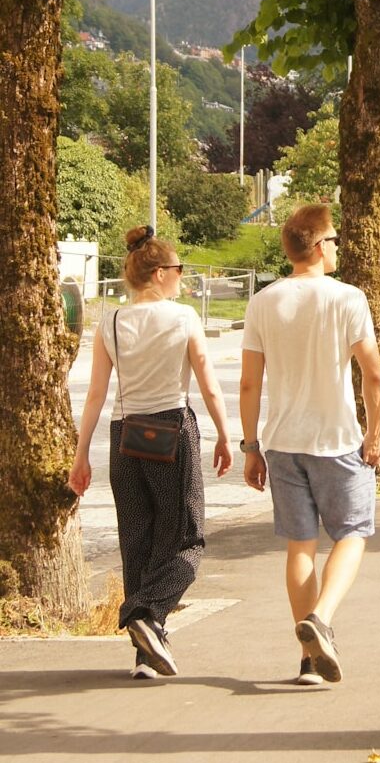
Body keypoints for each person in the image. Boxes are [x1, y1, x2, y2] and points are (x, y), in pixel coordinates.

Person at [68, 226, 233, 680]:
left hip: (125, 436)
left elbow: (96, 395)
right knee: (186, 537)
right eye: (178, 270)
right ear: (159, 273)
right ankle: (148, 611)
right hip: (171, 430)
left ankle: (146, 653)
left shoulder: (112, 322)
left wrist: (81, 455)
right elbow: (208, 384)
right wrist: (225, 434)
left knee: (137, 541)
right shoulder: (182, 318)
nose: (182, 277)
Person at [239, 204, 380, 685]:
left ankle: (308, 663)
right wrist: (374, 434)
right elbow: (373, 375)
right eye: (335, 240)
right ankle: (320, 620)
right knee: (352, 533)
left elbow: (248, 385)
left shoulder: (263, 301)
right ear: (320, 246)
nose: (338, 247)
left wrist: (250, 446)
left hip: (283, 442)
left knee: (299, 546)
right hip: (336, 439)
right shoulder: (348, 298)